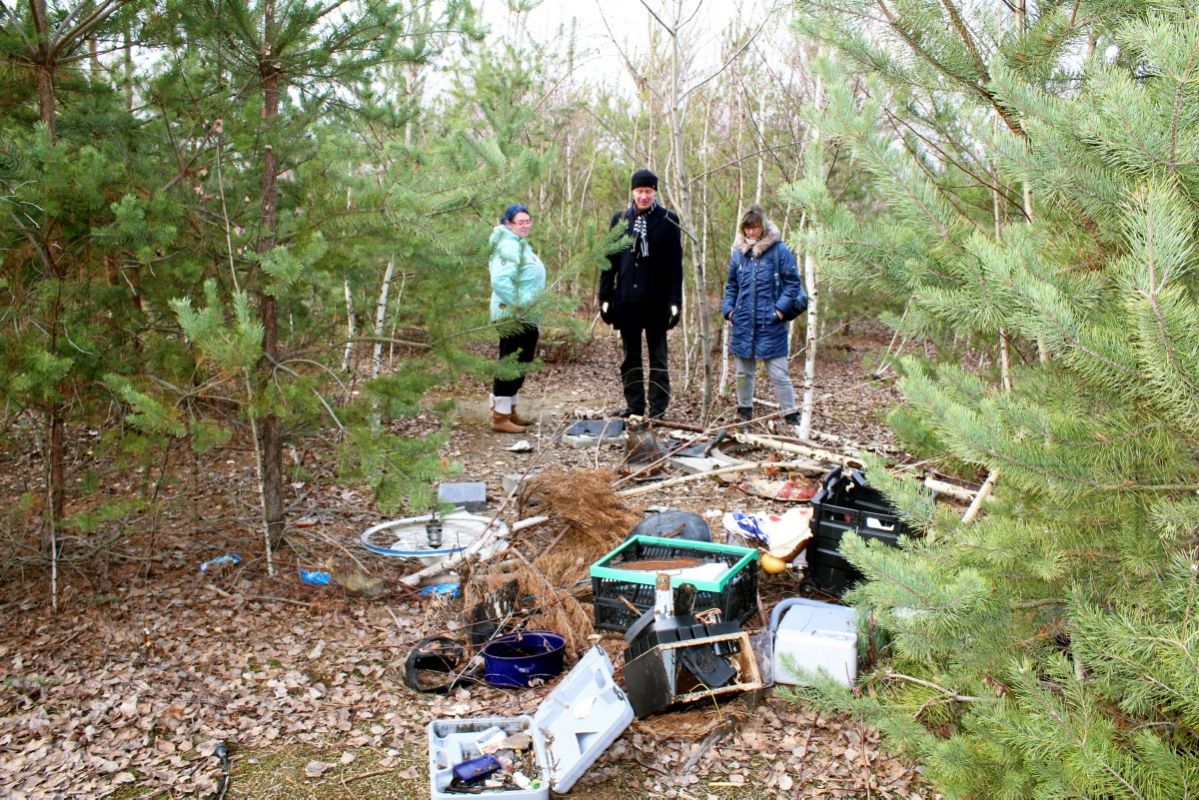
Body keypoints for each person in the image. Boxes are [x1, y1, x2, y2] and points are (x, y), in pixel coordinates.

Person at [598, 168, 683, 419]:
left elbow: (674, 265)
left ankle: (658, 410)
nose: (643, 196)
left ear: (654, 192)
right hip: (626, 301)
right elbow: (609, 261)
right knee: (630, 358)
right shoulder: (620, 219)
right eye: (639, 191)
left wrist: (675, 301)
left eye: (647, 191)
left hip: (656, 302)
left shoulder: (668, 220)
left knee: (658, 359)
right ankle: (634, 407)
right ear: (633, 192)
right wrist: (604, 297)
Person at [720, 205, 808, 432]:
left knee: (779, 373)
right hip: (743, 324)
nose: (751, 232)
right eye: (747, 228)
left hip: (771, 324)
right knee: (743, 373)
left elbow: (792, 284)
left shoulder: (780, 251)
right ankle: (744, 412)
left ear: (763, 226)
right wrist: (729, 310)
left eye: (755, 227)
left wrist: (779, 310)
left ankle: (791, 417)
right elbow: (732, 285)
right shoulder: (738, 253)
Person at [488, 203, 547, 433]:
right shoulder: (507, 246)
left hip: (527, 315)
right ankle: (499, 417)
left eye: (527, 221)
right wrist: (522, 304)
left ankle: (509, 410)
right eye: (520, 221)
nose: (525, 225)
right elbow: (501, 281)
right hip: (513, 315)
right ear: (508, 223)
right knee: (510, 364)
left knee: (521, 364)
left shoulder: (520, 245)